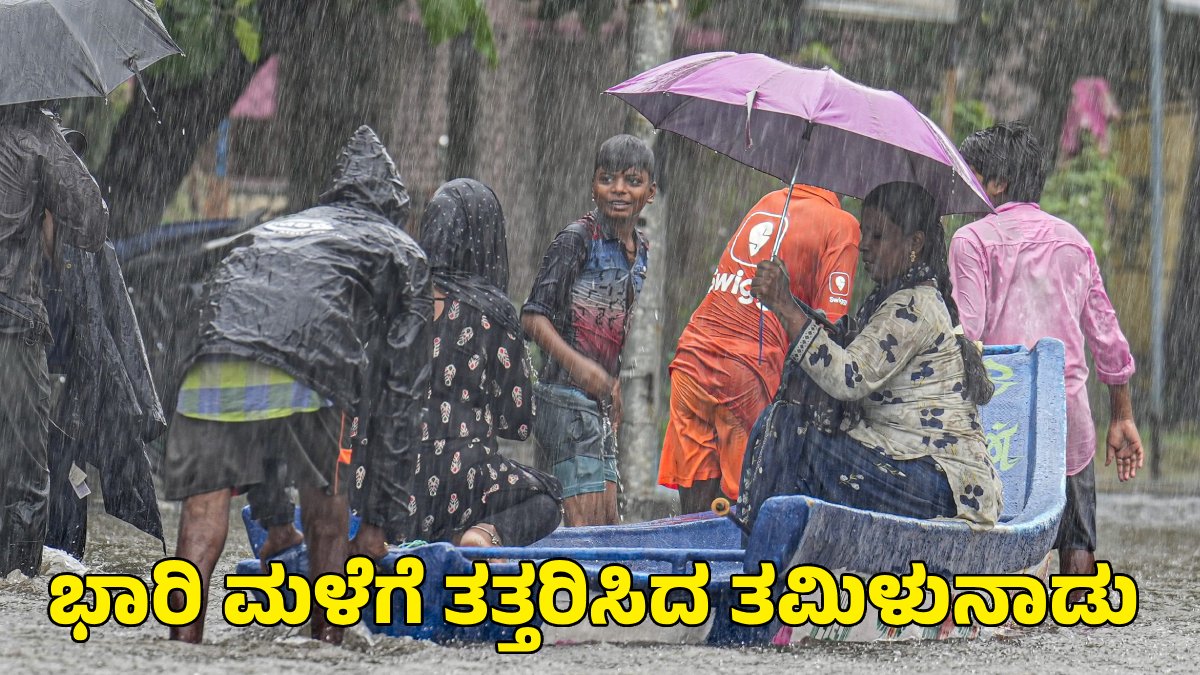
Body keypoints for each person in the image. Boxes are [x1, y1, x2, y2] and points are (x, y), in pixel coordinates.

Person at [161, 126, 431, 644]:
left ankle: (181, 646)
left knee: (201, 512)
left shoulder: (278, 230)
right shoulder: (400, 249)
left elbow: (261, 381)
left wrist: (276, 523)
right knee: (327, 512)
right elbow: (402, 396)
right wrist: (378, 525)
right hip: (311, 365)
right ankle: (325, 642)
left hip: (209, 357)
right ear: (394, 209)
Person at [737, 181, 1001, 531]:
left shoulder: (914, 306)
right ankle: (770, 540)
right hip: (905, 463)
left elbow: (848, 378)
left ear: (914, 244)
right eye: (865, 235)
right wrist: (791, 307)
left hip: (945, 485)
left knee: (789, 427)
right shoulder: (890, 300)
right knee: (780, 420)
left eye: (878, 237)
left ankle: (762, 547)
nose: (864, 247)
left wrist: (786, 307)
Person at [951, 121, 1142, 580]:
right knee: (1077, 544)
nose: (965, 184)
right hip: (1065, 419)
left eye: (971, 173)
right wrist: (1122, 415)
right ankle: (1082, 616)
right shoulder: (1073, 242)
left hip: (1000, 425)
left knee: (992, 547)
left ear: (998, 182)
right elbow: (1107, 338)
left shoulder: (971, 241)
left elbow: (966, 336)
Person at [659, 184, 860, 514]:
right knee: (748, 511)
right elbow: (830, 332)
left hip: (691, 358)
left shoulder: (768, 201)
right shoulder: (842, 226)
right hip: (746, 372)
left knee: (694, 518)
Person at [412, 178, 562, 547]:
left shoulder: (393, 302)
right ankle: (483, 534)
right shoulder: (492, 311)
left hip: (393, 488)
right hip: (465, 482)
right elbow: (517, 424)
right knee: (547, 499)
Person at [522, 134, 656, 527]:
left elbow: (614, 327)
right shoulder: (578, 239)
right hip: (563, 396)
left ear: (650, 192)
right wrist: (581, 368)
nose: (619, 189)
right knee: (584, 530)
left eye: (632, 181)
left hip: (597, 402)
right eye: (607, 179)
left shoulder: (641, 251)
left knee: (609, 524)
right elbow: (532, 318)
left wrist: (613, 385)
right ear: (593, 186)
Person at [0, 102, 108, 577]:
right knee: (24, 474)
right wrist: (53, 145)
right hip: (11, 322)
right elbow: (91, 223)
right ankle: (17, 578)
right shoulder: (31, 131)